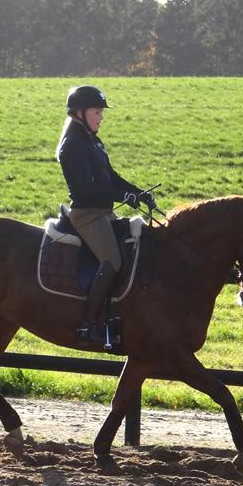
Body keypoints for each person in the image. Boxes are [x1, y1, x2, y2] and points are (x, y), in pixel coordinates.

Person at [56, 85, 155, 344]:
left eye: (101, 113)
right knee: (112, 260)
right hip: (87, 215)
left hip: (103, 213)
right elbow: (84, 189)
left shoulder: (92, 140)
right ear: (79, 113)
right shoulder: (73, 144)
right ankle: (90, 325)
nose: (101, 117)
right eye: (97, 112)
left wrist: (138, 193)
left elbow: (110, 177)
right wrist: (121, 196)